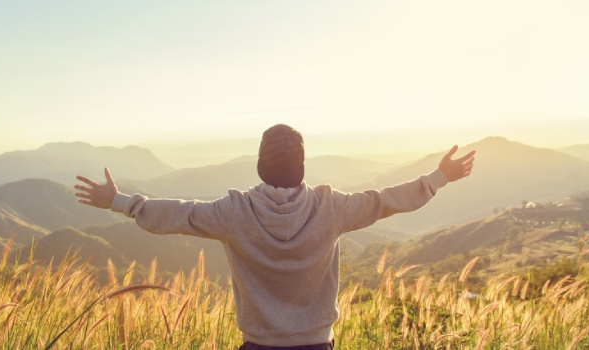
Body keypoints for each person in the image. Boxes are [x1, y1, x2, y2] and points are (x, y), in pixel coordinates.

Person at [75, 124, 475, 350]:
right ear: (301, 166)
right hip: (318, 345)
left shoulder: (234, 212)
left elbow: (181, 214)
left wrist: (122, 202)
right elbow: (386, 201)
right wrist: (438, 177)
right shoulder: (330, 207)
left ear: (260, 166)